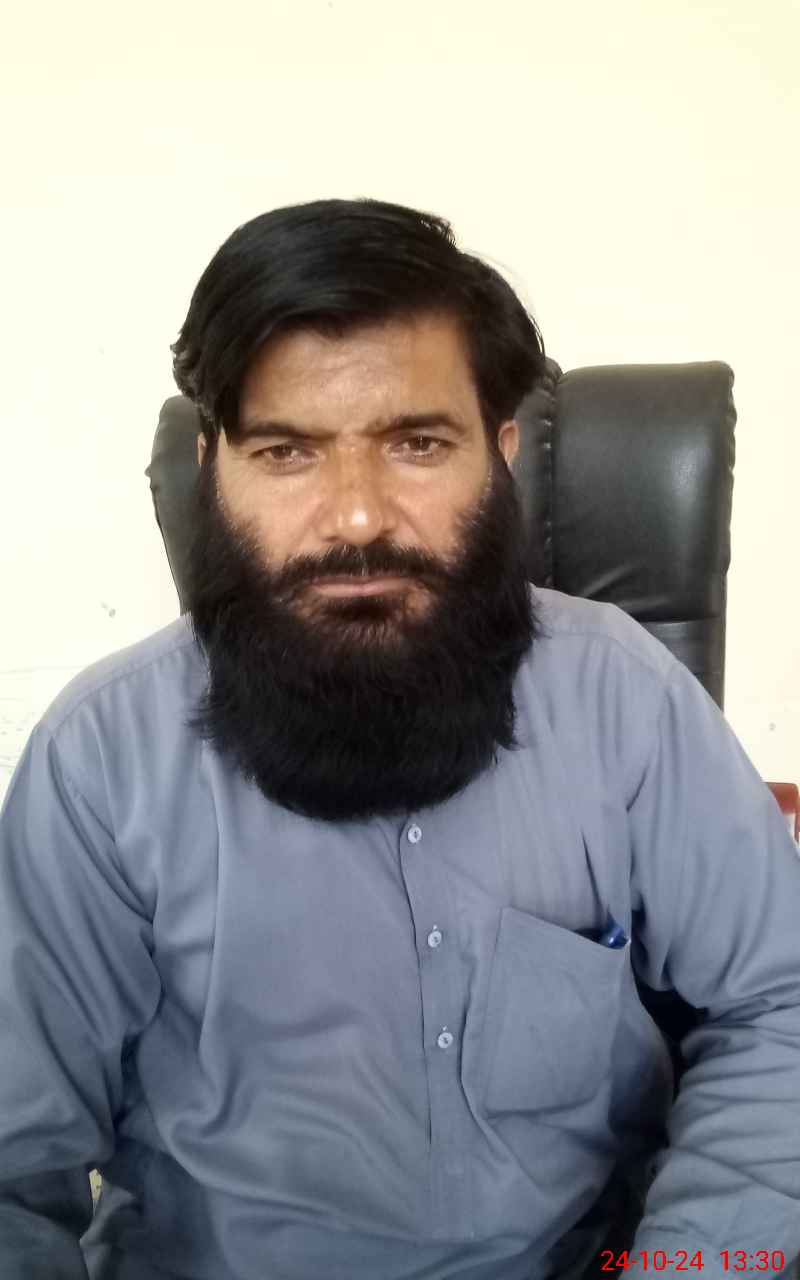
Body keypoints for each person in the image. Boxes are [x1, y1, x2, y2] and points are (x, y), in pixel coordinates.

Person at [1, 198, 798, 1280]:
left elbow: (778, 1004)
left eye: (417, 443)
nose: (358, 516)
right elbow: (16, 1162)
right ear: (212, 465)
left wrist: (688, 1269)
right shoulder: (100, 758)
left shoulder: (622, 695)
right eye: (286, 451)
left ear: (501, 453)